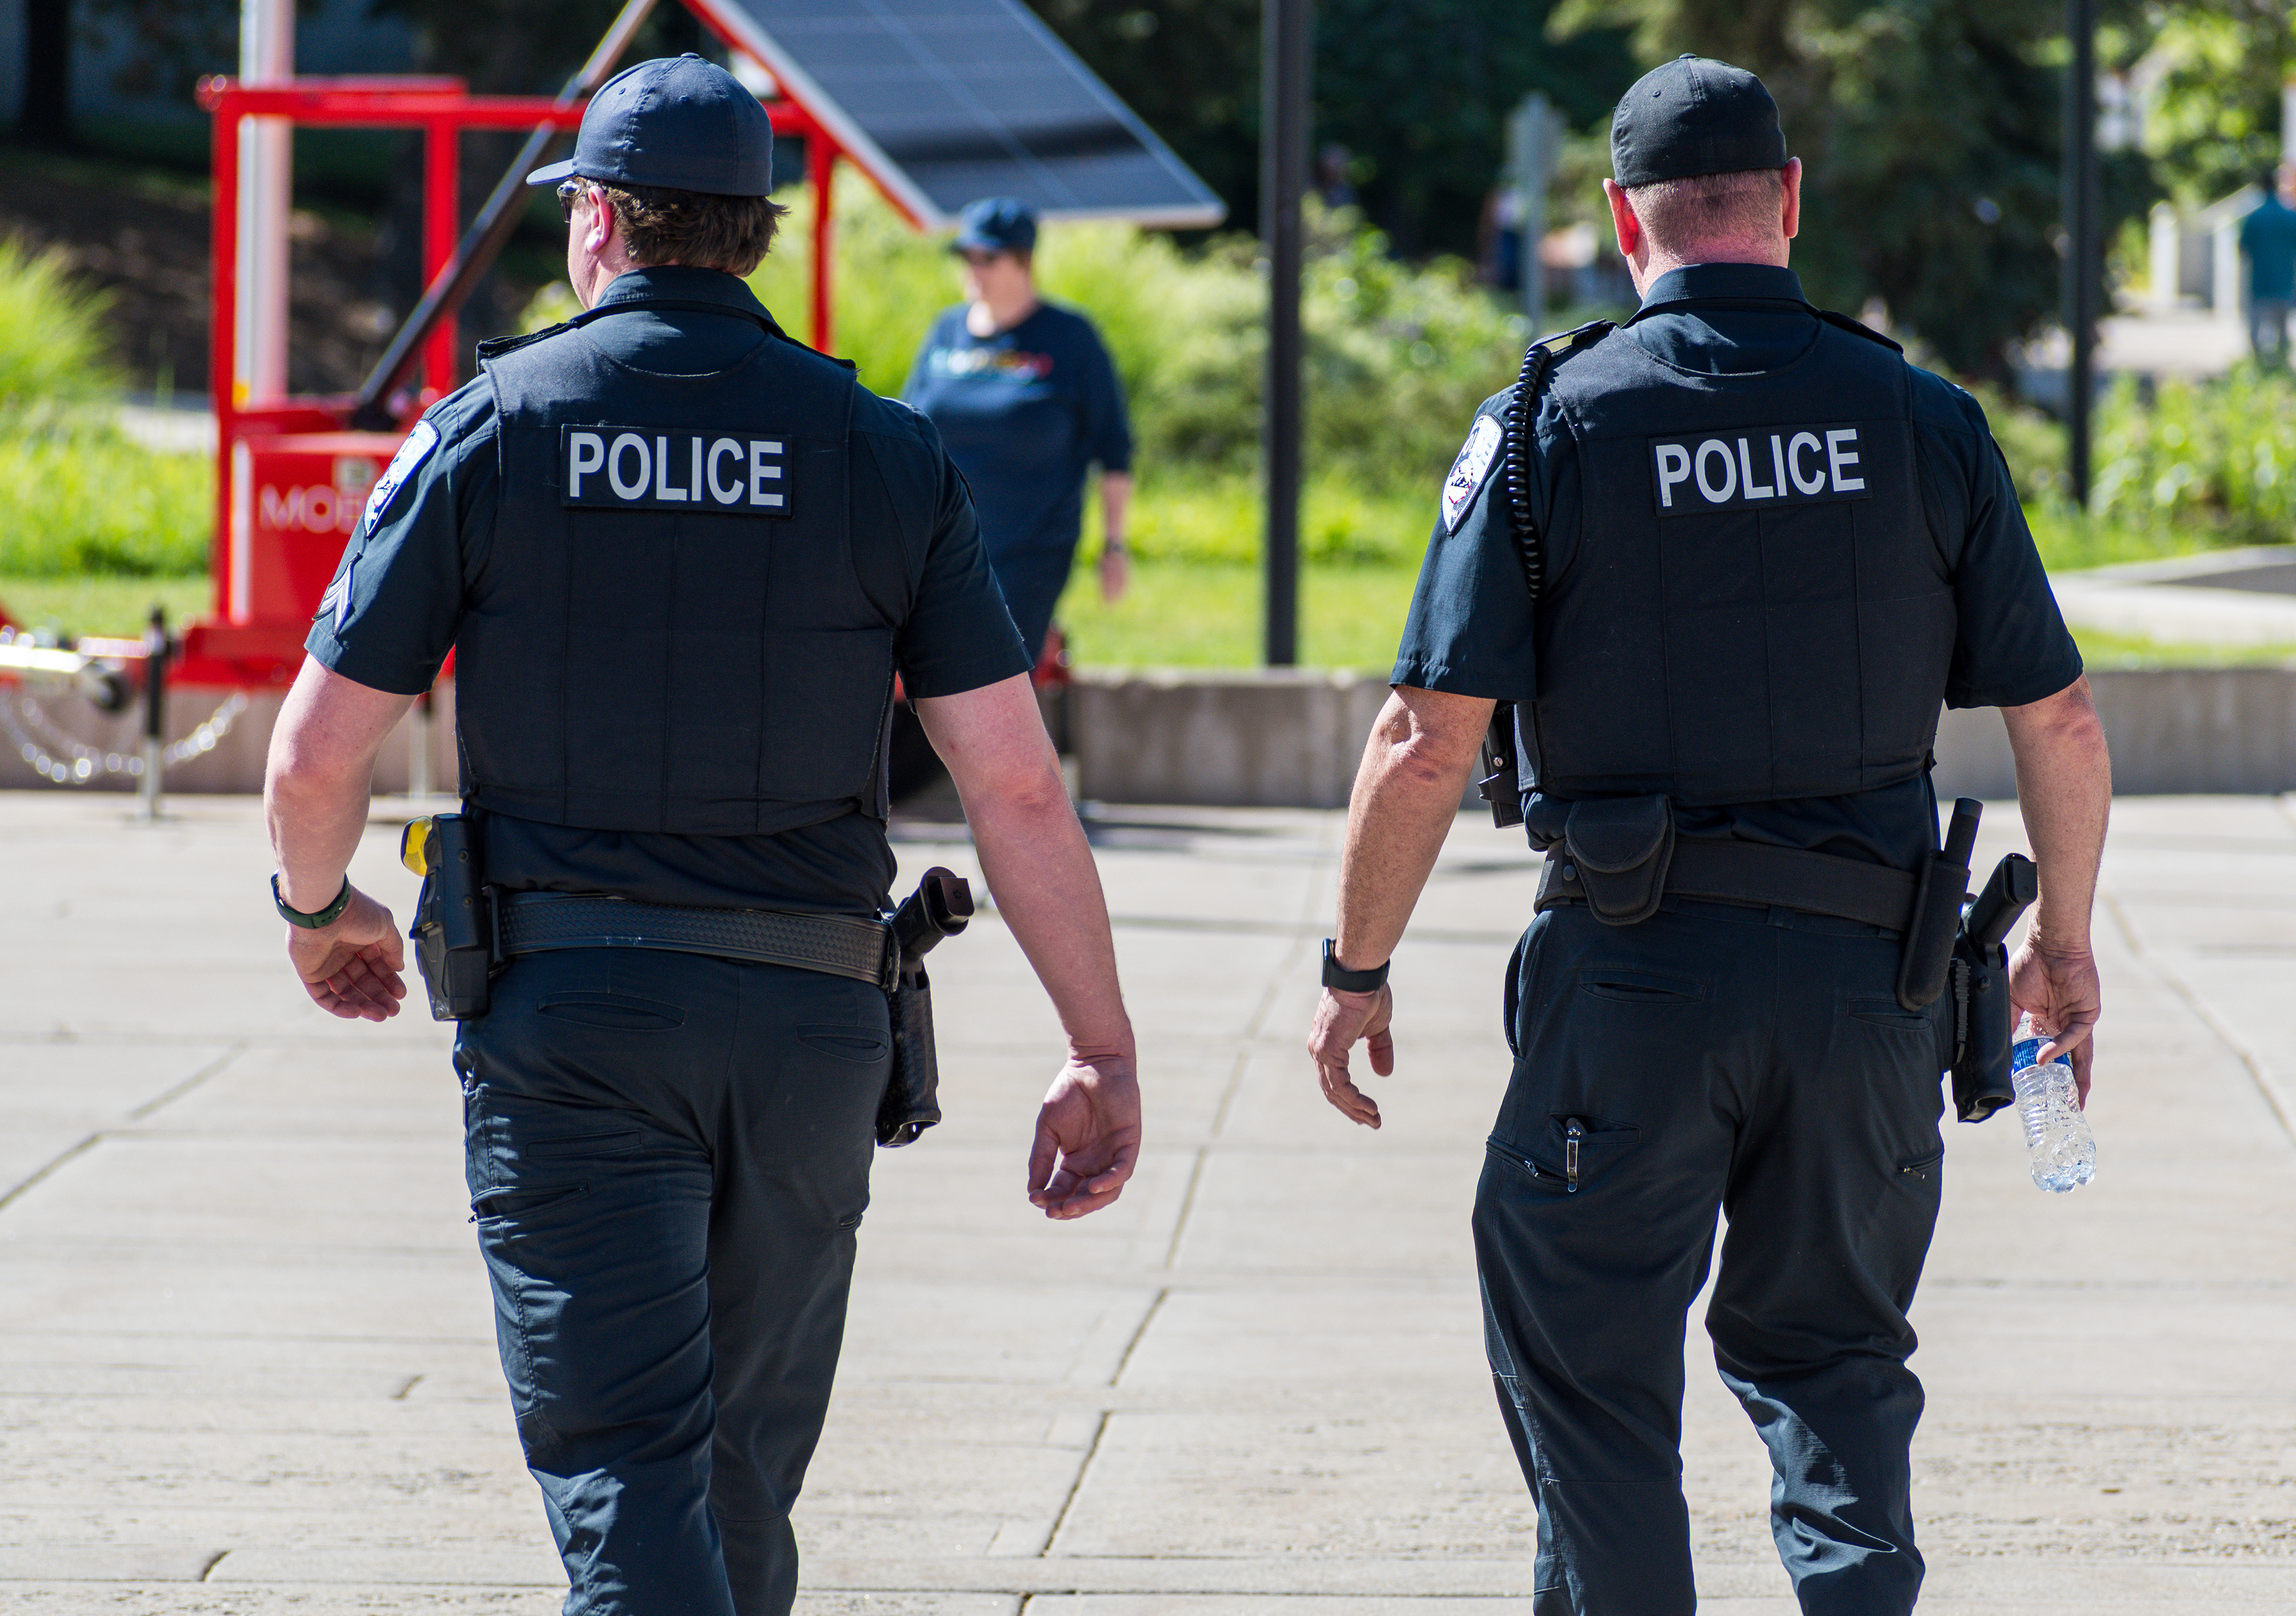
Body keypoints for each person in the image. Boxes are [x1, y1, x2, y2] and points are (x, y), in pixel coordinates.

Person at [261, 55, 1141, 1616]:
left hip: (576, 1027)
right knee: (734, 1472)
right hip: (811, 1029)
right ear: (749, 233)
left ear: (596, 223)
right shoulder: (888, 449)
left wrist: (321, 905)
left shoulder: (492, 427)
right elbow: (1013, 783)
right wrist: (1100, 1047)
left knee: (629, 1466)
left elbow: (317, 749)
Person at [1304, 54, 2111, 1616]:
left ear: (1624, 221)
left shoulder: (1552, 422)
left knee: (1594, 1378)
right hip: (1870, 985)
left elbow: (1422, 739)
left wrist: (1358, 968)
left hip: (1633, 981)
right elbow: (2060, 719)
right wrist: (2059, 950)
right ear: (1791, 203)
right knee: (1838, 1371)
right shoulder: (1923, 418)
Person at [901, 197, 1134, 663]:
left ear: (1024, 262)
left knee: (991, 675)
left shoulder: (1069, 337)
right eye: (967, 257)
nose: (974, 269)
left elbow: (1113, 448)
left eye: (988, 258)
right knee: (923, 675)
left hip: (1028, 551)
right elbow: (909, 430)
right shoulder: (946, 331)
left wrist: (1114, 544)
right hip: (940, 545)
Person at [2239, 163, 2296, 365]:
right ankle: (2281, 368)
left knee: (2256, 333)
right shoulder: (2290, 216)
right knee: (2283, 333)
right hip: (2285, 283)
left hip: (2260, 283)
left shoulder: (2254, 217)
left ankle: (2258, 368)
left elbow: (2243, 248)